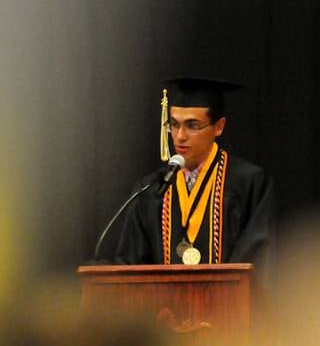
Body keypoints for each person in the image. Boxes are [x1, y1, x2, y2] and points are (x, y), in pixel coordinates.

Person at [114, 77, 273, 266]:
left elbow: (257, 260)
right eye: (174, 124)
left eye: (192, 125)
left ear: (219, 127)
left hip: (228, 296)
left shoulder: (249, 183)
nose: (180, 136)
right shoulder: (151, 189)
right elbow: (129, 265)